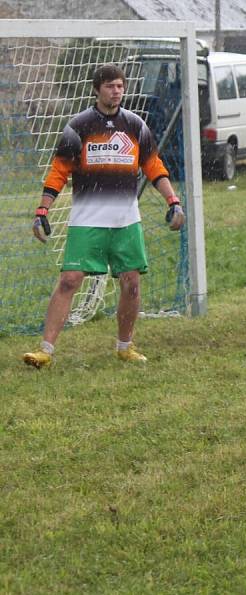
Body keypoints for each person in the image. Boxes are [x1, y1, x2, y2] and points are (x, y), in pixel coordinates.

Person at [22, 64, 185, 369]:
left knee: (131, 282)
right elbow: (59, 171)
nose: (116, 91)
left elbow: (154, 167)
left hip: (125, 222)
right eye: (110, 86)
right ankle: (45, 350)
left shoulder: (135, 125)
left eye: (120, 86)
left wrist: (173, 201)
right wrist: (42, 210)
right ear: (97, 89)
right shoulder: (79, 125)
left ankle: (125, 347)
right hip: (87, 220)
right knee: (69, 280)